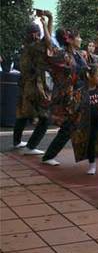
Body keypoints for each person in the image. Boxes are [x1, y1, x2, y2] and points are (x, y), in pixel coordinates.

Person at [41, 28, 88, 166]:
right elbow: (50, 46)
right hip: (68, 96)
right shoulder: (63, 55)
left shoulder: (78, 55)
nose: (81, 40)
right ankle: (48, 156)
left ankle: (93, 154)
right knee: (68, 127)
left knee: (81, 126)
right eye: (78, 37)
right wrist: (46, 23)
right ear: (71, 40)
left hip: (79, 95)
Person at [13, 13, 53, 155]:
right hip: (36, 86)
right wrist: (49, 20)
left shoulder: (25, 47)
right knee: (45, 117)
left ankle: (17, 142)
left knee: (22, 113)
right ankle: (31, 146)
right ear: (35, 34)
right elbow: (48, 41)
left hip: (25, 85)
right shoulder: (36, 47)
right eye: (37, 33)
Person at [70, 63, 98, 175]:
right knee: (90, 142)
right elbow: (74, 108)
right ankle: (92, 165)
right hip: (89, 122)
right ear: (89, 76)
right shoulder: (81, 92)